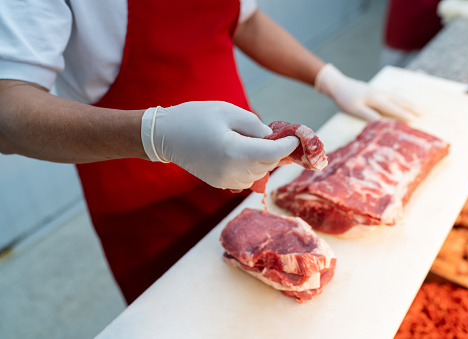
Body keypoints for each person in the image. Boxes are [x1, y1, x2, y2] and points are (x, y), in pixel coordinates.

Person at [0, 0, 417, 304]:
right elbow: (7, 110)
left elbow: (244, 19)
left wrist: (328, 78)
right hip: (141, 194)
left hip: (242, 154)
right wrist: (155, 134)